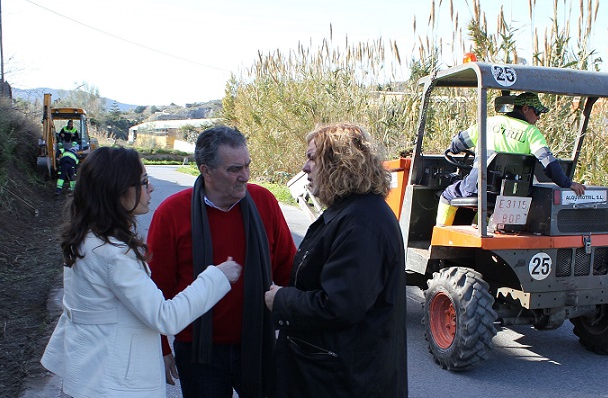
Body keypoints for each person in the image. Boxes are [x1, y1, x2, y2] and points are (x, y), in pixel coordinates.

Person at [40, 146, 243, 398]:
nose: (151, 189)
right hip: (112, 386)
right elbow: (165, 317)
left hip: (90, 374)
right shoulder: (113, 254)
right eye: (144, 182)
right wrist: (217, 277)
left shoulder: (86, 239)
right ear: (117, 189)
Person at [146, 126, 296, 398]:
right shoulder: (172, 213)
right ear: (206, 171)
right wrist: (162, 348)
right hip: (199, 353)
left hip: (258, 344)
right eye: (234, 169)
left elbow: (289, 269)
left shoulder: (264, 202)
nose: (245, 176)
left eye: (247, 166)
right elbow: (156, 290)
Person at [264, 123, 407, 398]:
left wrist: (281, 300)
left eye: (311, 158)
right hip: (338, 373)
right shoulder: (353, 213)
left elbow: (340, 305)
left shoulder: (361, 223)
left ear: (338, 164)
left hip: (344, 380)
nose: (305, 167)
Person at [436, 92, 587, 225]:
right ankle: (483, 229)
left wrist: (454, 148)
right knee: (488, 207)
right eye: (537, 112)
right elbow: (548, 162)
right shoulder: (531, 133)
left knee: (448, 195)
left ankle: (440, 237)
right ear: (525, 108)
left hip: (477, 189)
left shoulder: (489, 123)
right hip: (513, 195)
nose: (538, 117)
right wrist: (567, 183)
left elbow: (458, 143)